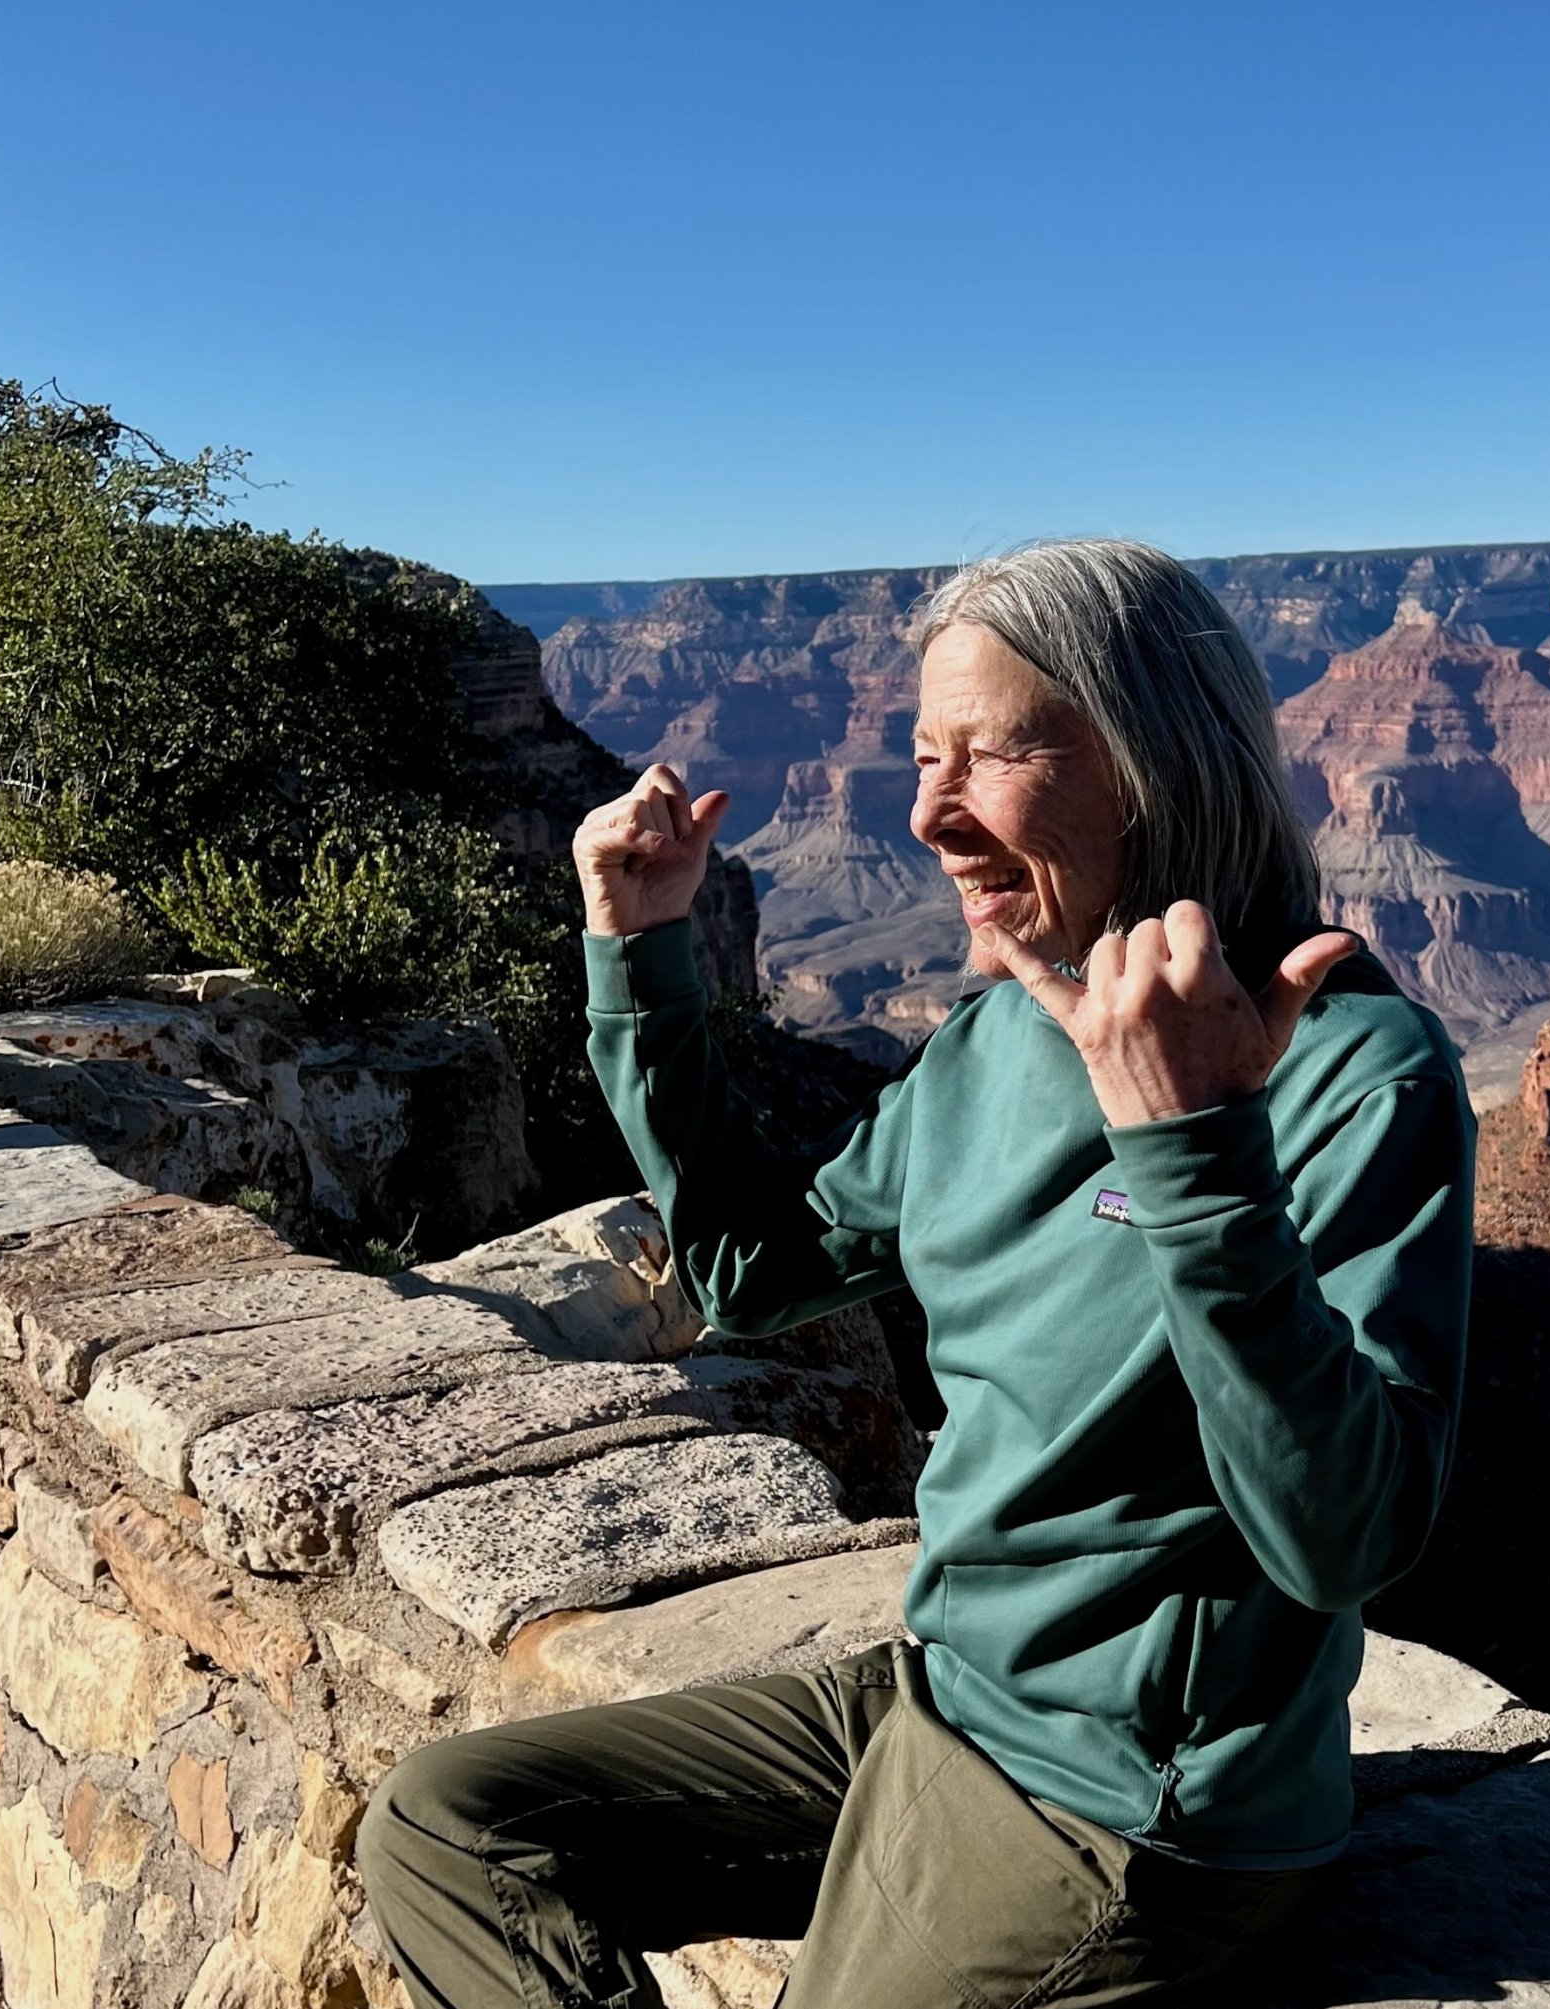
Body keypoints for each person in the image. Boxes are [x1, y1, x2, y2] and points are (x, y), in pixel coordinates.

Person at [356, 538, 1476, 2007]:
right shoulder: (994, 1036)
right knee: (448, 1829)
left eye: (990, 755)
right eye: (919, 753)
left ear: (1152, 759)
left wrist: (1193, 1147)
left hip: (1134, 1805)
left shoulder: (1352, 1072)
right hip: (938, 1692)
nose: (928, 815)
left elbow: (1345, 1538)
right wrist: (644, 963)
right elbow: (757, 1272)